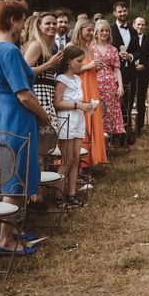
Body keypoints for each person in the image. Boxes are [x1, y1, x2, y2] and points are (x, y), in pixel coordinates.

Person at [0, 0, 51, 255]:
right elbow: (23, 94)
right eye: (22, 19)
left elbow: (23, 77)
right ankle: (5, 240)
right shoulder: (10, 50)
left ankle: (12, 229)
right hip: (18, 117)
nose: (24, 24)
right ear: (12, 20)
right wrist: (44, 116)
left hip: (5, 114)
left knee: (15, 172)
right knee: (16, 179)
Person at [54, 46, 94, 208]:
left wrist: (86, 106)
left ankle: (71, 193)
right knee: (66, 159)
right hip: (67, 119)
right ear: (69, 61)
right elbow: (57, 103)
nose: (81, 64)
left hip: (78, 119)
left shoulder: (77, 79)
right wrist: (78, 105)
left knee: (76, 158)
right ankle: (58, 195)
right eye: (78, 61)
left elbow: (76, 99)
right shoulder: (62, 79)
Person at [67, 18, 108, 167]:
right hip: (77, 89)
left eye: (92, 30)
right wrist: (89, 66)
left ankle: (87, 162)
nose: (91, 33)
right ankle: (74, 164)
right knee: (80, 123)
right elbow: (68, 71)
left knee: (91, 123)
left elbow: (88, 69)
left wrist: (95, 68)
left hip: (91, 88)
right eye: (88, 30)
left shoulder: (90, 49)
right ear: (80, 29)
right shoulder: (71, 47)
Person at [23, 13, 63, 129]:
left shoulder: (51, 47)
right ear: (40, 26)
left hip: (49, 95)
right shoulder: (37, 45)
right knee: (42, 135)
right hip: (37, 94)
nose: (52, 26)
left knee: (48, 138)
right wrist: (49, 63)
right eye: (48, 23)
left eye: (54, 23)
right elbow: (24, 71)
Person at [110, 2, 140, 143]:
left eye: (124, 11)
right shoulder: (109, 29)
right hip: (114, 73)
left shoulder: (133, 31)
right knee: (115, 103)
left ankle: (126, 135)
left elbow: (138, 52)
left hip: (130, 73)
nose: (122, 14)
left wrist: (131, 57)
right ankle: (112, 135)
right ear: (115, 13)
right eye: (119, 11)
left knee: (128, 104)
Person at [92, 20, 125, 138]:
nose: (105, 33)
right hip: (94, 84)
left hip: (110, 86)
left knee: (108, 113)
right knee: (96, 111)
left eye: (107, 31)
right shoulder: (90, 48)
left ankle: (106, 144)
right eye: (102, 30)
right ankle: (95, 141)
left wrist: (120, 86)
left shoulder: (113, 49)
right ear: (96, 33)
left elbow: (117, 69)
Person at [133, 16, 149, 134]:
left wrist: (144, 66)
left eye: (142, 24)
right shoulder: (129, 38)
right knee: (128, 100)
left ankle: (139, 126)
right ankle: (127, 126)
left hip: (144, 74)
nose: (140, 26)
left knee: (141, 100)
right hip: (130, 73)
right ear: (134, 25)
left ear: (145, 26)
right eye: (138, 24)